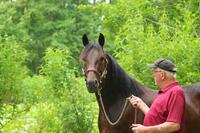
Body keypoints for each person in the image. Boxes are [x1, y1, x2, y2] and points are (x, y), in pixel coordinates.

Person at [129, 59, 185, 133]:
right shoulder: (164, 92)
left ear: (162, 75)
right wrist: (141, 104)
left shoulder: (176, 92)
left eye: (154, 72)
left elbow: (174, 125)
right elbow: (157, 119)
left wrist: (145, 130)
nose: (153, 75)